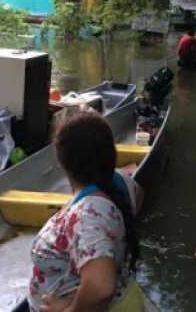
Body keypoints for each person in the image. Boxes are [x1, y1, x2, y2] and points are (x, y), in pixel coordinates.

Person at [29, 111, 144, 312]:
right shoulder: (121, 182)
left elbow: (100, 288)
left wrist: (71, 308)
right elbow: (140, 196)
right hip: (125, 297)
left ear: (60, 159)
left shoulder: (87, 213)